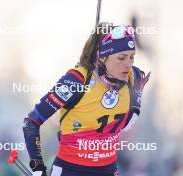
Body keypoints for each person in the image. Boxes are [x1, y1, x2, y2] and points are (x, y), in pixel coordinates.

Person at [23, 22, 150, 176]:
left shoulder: (133, 77)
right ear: (102, 57)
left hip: (107, 170)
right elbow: (31, 121)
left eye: (132, 57)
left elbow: (127, 125)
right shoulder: (76, 81)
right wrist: (38, 169)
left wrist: (136, 99)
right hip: (71, 170)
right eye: (121, 58)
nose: (128, 64)